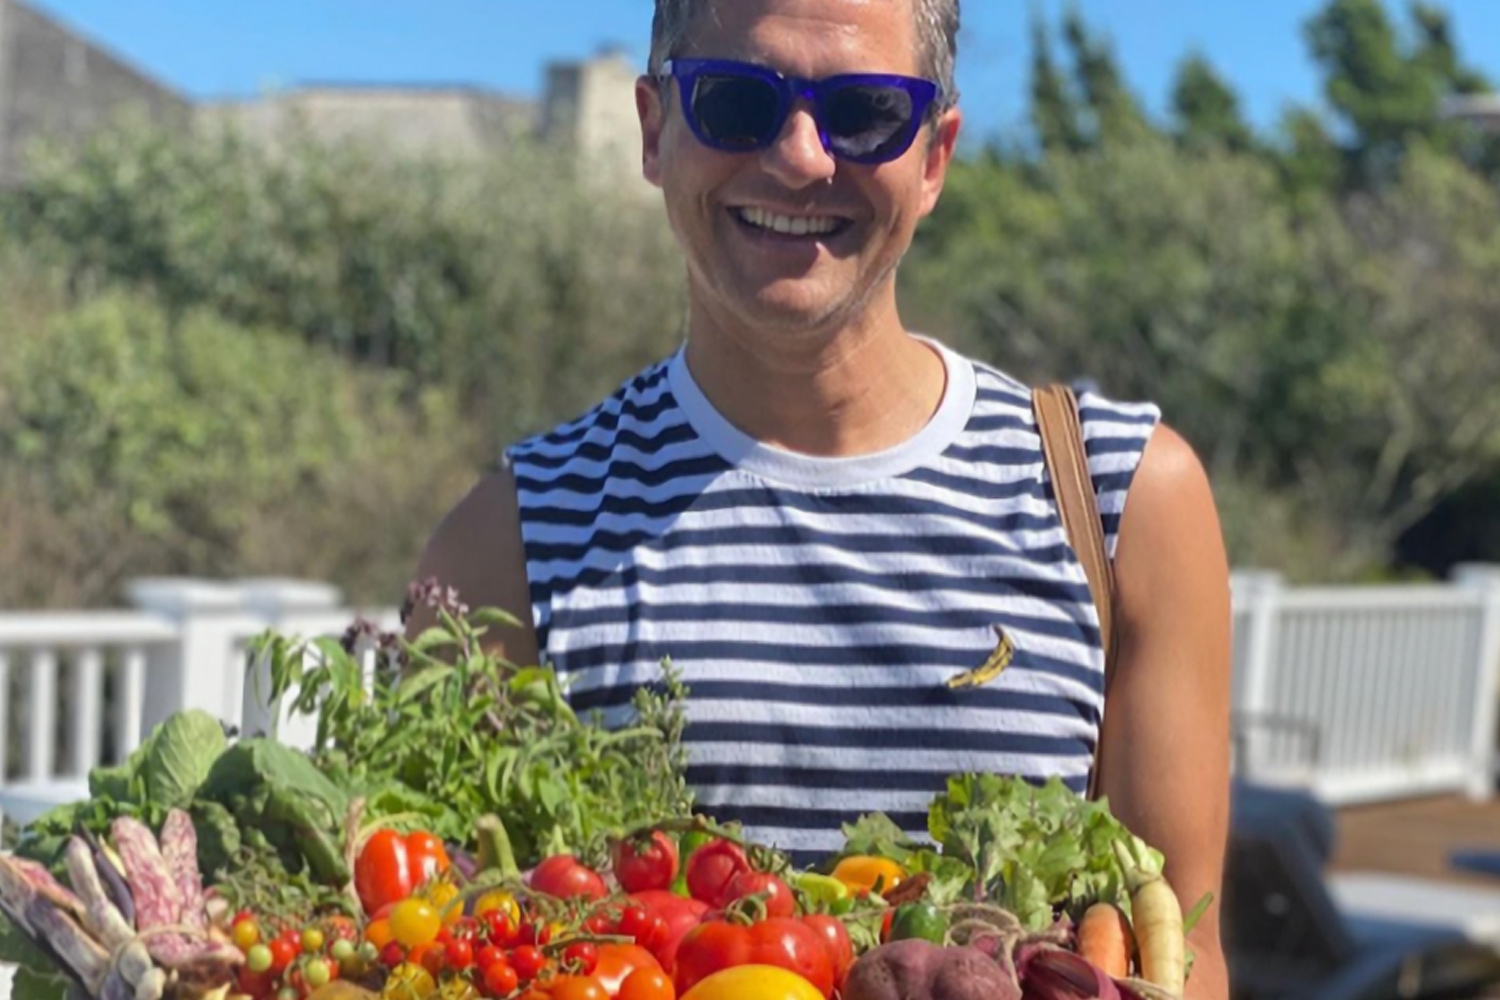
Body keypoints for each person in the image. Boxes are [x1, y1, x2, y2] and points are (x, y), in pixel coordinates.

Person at [408, 1, 1231, 997]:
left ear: (934, 158)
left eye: (867, 111)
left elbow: (1185, 960)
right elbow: (447, 953)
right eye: (739, 102)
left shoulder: (1119, 500)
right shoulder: (510, 543)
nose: (801, 157)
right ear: (656, 133)